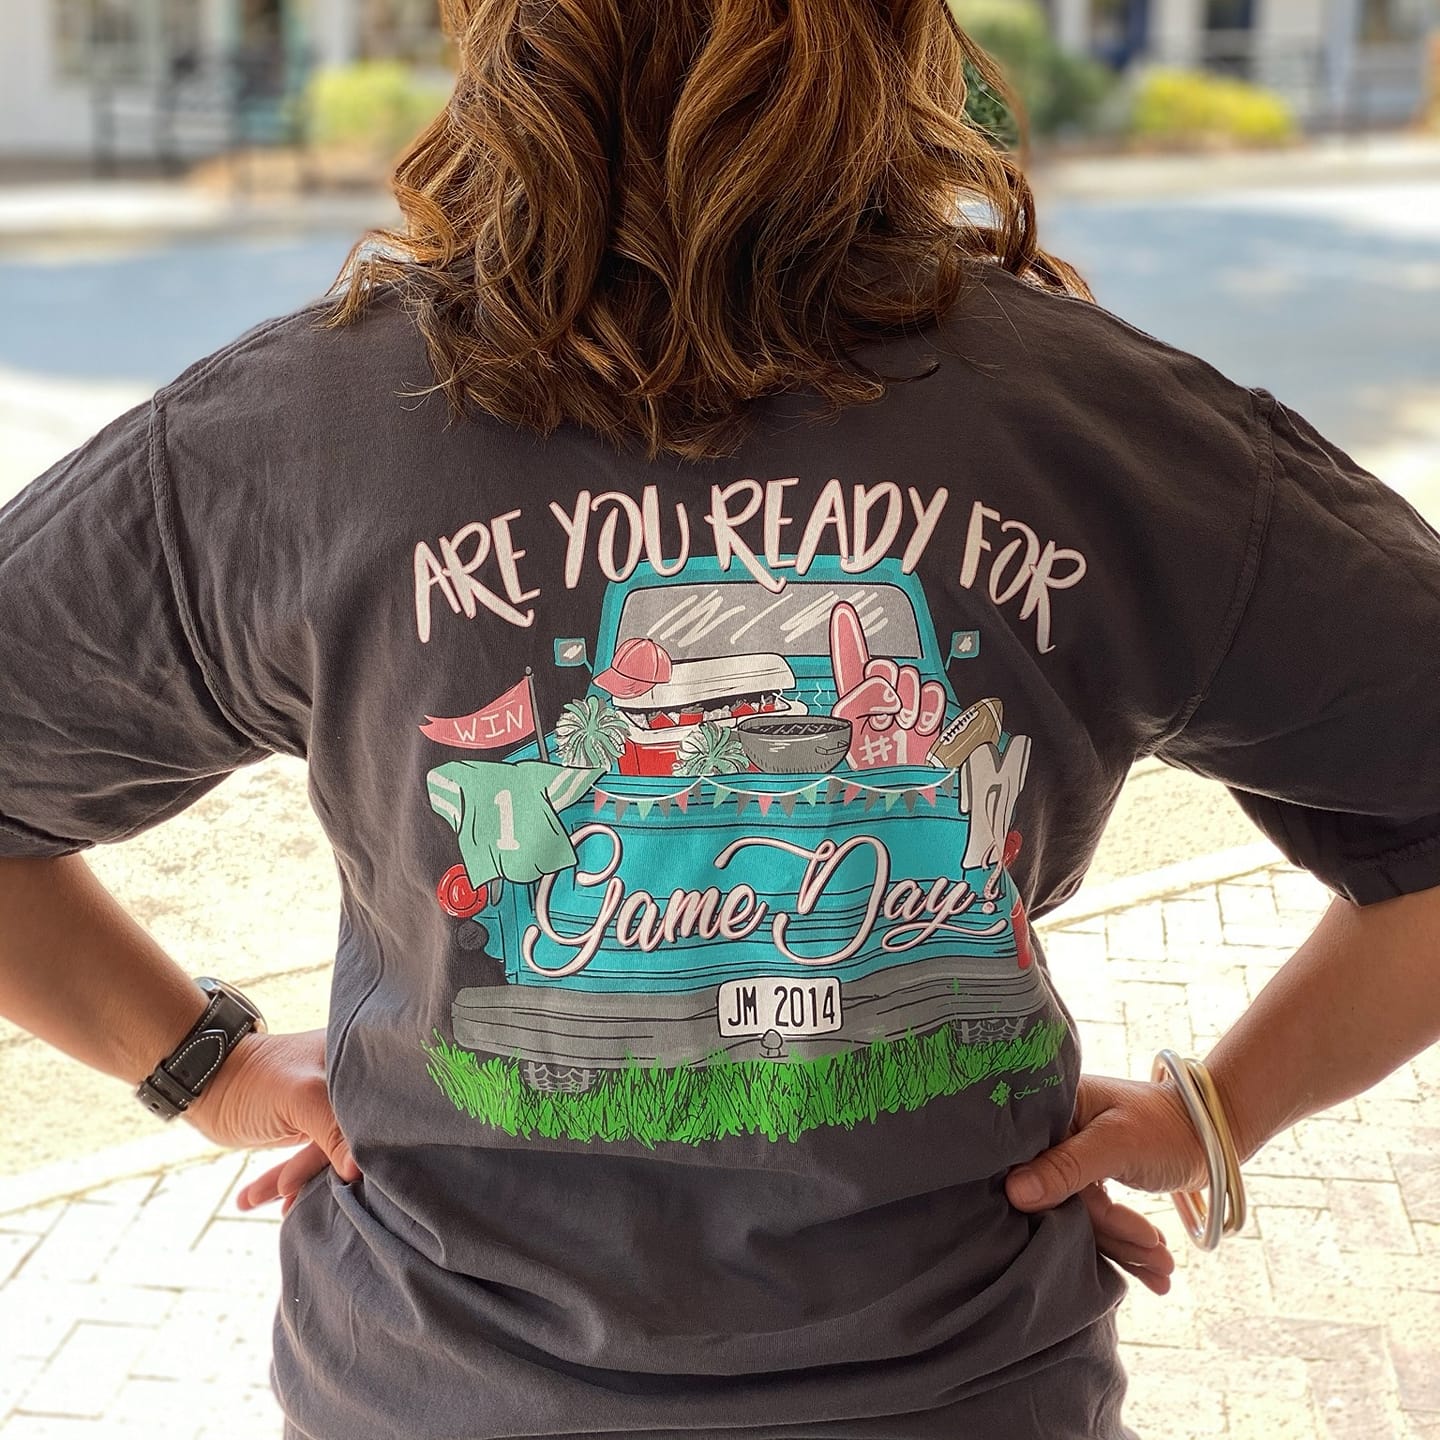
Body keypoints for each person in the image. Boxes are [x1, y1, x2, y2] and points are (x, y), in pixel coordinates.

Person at [2, 1, 1439, 1436]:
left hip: (434, 1388)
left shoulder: (292, 441)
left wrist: (201, 1066)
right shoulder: (1100, 428)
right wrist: (1218, 1112)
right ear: (900, 37)